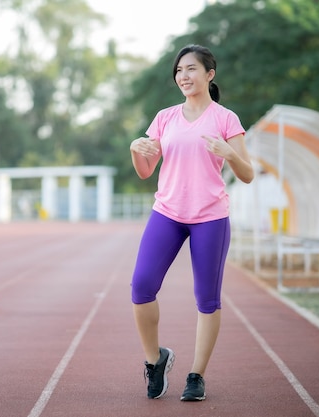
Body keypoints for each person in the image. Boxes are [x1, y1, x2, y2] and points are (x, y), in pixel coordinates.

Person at [129, 44, 254, 401]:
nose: (183, 76)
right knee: (141, 287)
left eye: (191, 69)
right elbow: (144, 172)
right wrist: (136, 151)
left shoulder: (226, 119)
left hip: (210, 218)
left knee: (207, 299)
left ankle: (196, 375)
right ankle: (155, 360)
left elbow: (247, 174)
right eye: (179, 70)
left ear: (209, 74)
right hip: (167, 213)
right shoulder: (165, 117)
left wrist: (230, 153)